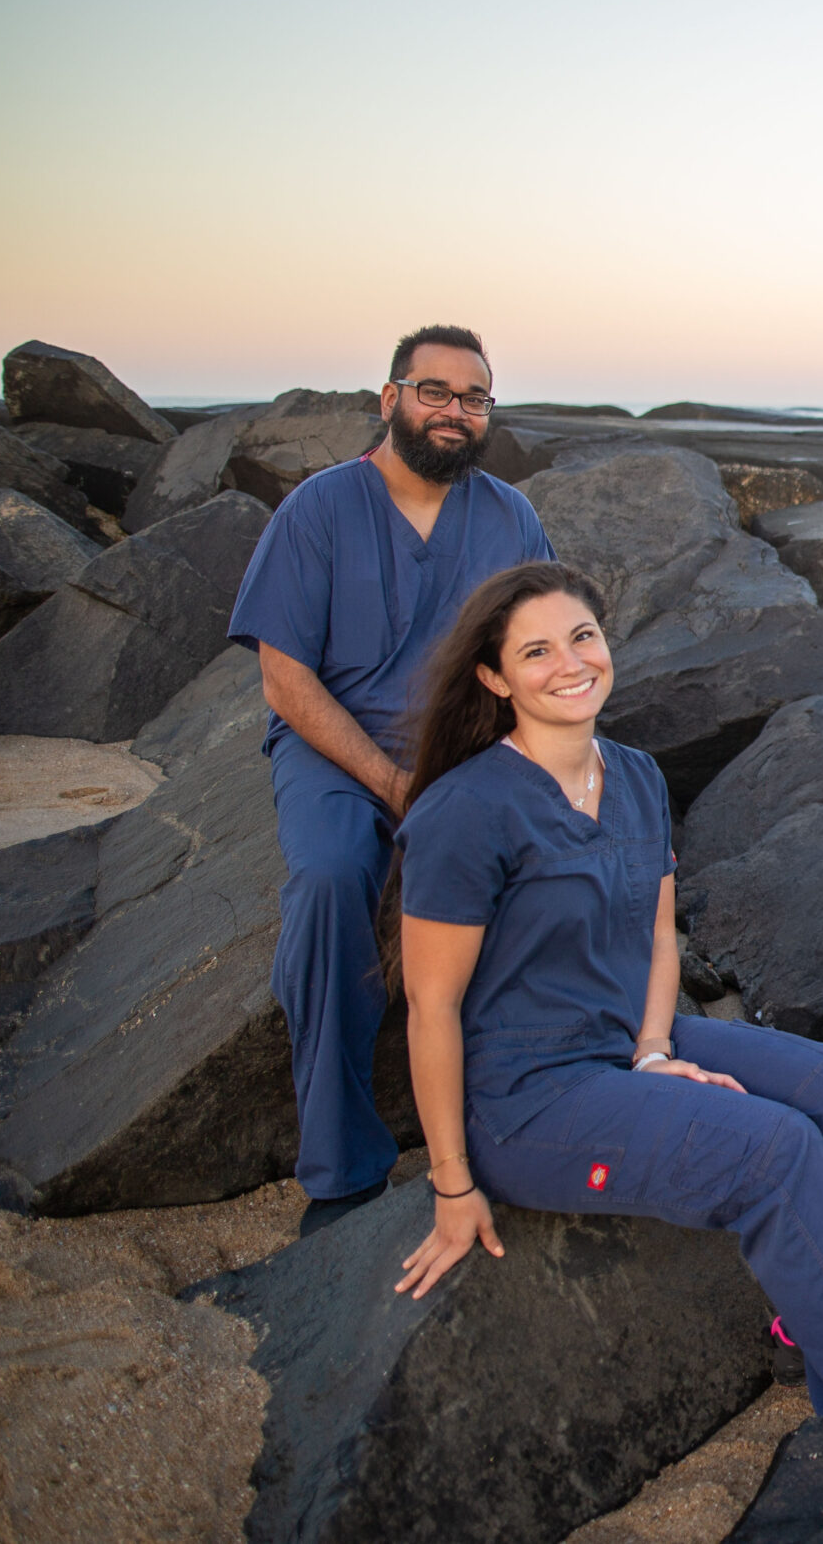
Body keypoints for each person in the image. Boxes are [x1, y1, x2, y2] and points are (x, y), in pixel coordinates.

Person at [387, 561, 823, 1449]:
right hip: (527, 1092)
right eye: (535, 651)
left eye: (582, 636)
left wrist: (657, 1050)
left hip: (623, 1035)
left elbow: (660, 936)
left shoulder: (631, 774)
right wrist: (452, 1183)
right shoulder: (465, 812)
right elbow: (430, 1006)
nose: (570, 662)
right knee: (776, 1153)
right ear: (495, 677)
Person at [227, 324, 553, 1234]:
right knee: (333, 882)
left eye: (474, 398)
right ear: (390, 397)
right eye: (435, 391)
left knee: (550, 883)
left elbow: (538, 653)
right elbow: (285, 680)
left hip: (466, 749)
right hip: (334, 747)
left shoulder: (509, 519)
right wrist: (389, 780)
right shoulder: (320, 509)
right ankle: (342, 1169)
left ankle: (527, 1128)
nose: (455, 411)